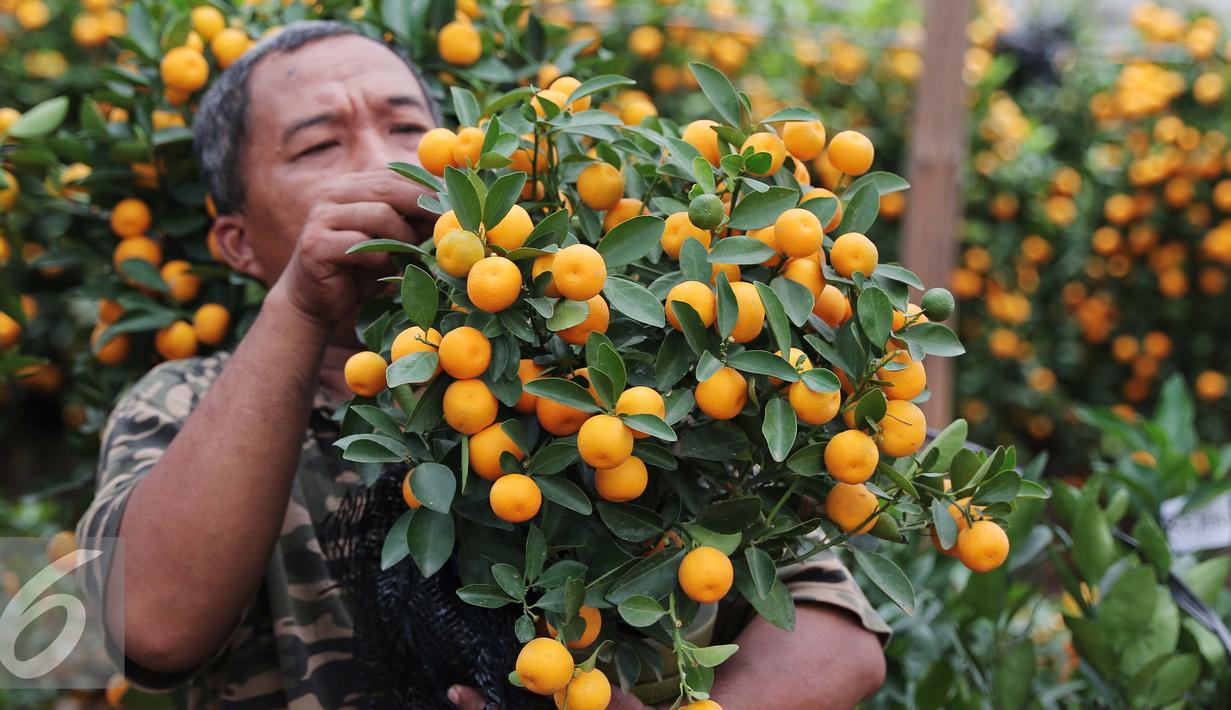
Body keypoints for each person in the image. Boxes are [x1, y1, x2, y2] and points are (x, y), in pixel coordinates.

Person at [76, 21, 889, 709]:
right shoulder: (184, 402)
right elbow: (149, 629)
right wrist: (298, 306)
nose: (382, 163)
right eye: (320, 144)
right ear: (239, 243)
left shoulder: (605, 371)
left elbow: (833, 631)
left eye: (409, 130)